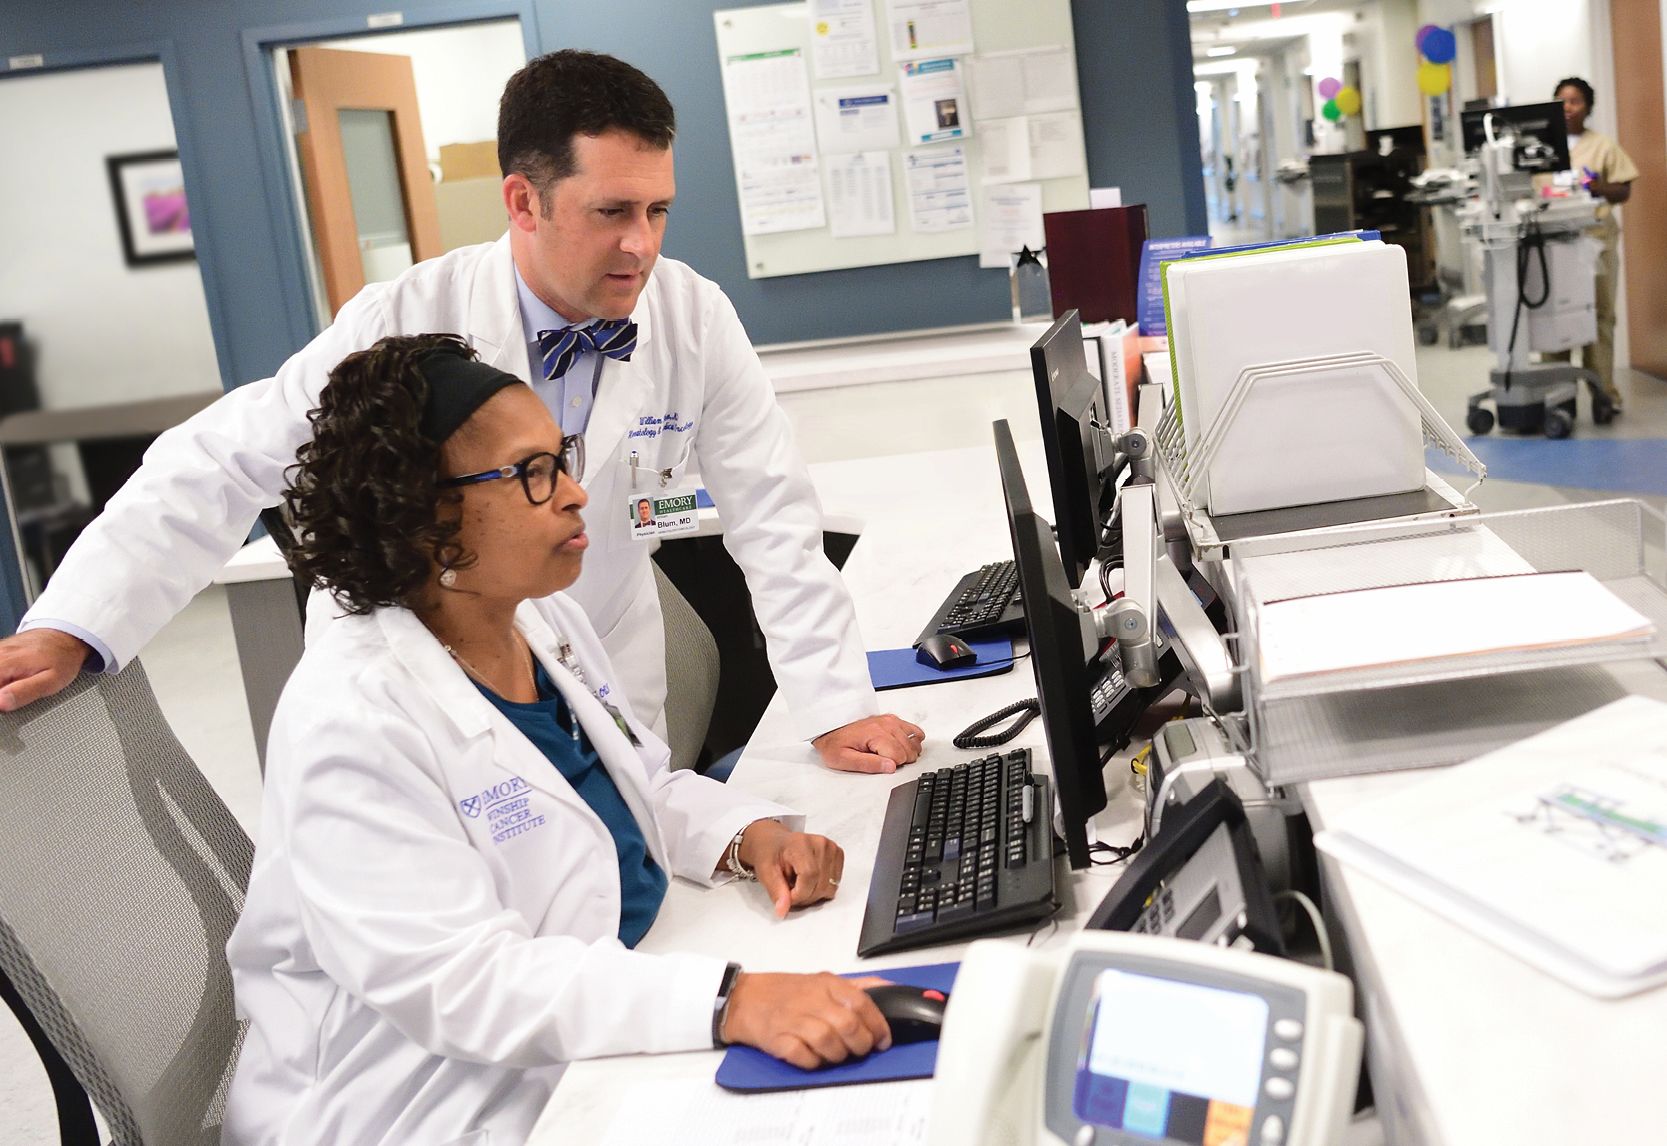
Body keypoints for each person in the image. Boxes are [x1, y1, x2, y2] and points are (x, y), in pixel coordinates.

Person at [0, 50, 924, 775]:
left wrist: (836, 704)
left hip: (609, 661)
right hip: (430, 685)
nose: (640, 245)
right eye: (610, 211)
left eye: (658, 211)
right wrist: (78, 620)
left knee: (638, 896)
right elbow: (223, 460)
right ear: (522, 200)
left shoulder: (690, 314)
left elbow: (773, 518)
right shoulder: (404, 321)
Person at [222, 334, 894, 1145]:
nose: (576, 494)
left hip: (603, 1007)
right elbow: (462, 982)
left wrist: (746, 835)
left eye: (561, 459)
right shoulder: (352, 717)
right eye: (532, 474)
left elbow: (632, 781)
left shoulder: (536, 619)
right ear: (426, 515)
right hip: (433, 1102)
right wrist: (727, 1001)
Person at [1547, 76, 1639, 411]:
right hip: (1552, 243)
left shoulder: (1602, 146)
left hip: (1595, 241)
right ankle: (1557, 393)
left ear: (1588, 107)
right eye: (1562, 101)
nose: (1568, 108)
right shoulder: (1541, 148)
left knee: (1599, 315)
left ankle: (1604, 392)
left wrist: (1596, 187)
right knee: (1554, 315)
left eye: (1575, 101)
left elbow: (1624, 189)